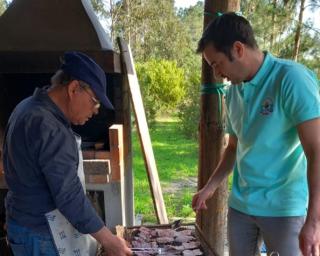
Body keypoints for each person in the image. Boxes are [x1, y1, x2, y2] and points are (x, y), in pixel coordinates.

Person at [192, 12, 320, 256]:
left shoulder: (291, 79)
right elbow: (233, 148)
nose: (217, 74)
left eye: (217, 64)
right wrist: (209, 187)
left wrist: (315, 221)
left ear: (238, 49)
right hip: (241, 206)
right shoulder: (233, 93)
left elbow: (316, 150)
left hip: (285, 208)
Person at [3, 51, 132, 256]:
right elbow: (69, 196)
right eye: (95, 101)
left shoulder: (25, 107)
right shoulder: (49, 127)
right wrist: (109, 240)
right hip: (42, 235)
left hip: (22, 224)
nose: (96, 111)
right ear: (73, 89)